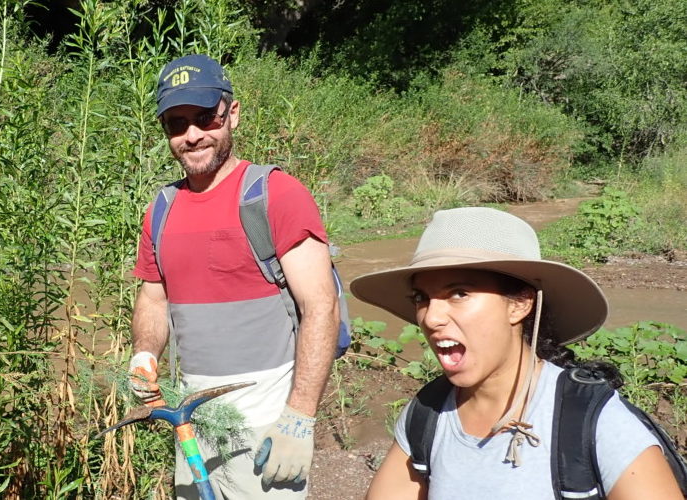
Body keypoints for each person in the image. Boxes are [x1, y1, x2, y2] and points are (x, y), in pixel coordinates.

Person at [350, 207, 683, 499]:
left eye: (459, 293)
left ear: (520, 304)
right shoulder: (428, 414)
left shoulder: (593, 422)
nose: (431, 317)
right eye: (421, 298)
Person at [129, 54, 340, 499]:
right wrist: (144, 356)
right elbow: (154, 298)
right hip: (193, 422)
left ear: (233, 114)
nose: (192, 135)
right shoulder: (161, 210)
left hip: (267, 422)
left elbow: (320, 305)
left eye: (205, 118)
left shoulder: (276, 194)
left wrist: (299, 417)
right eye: (176, 123)